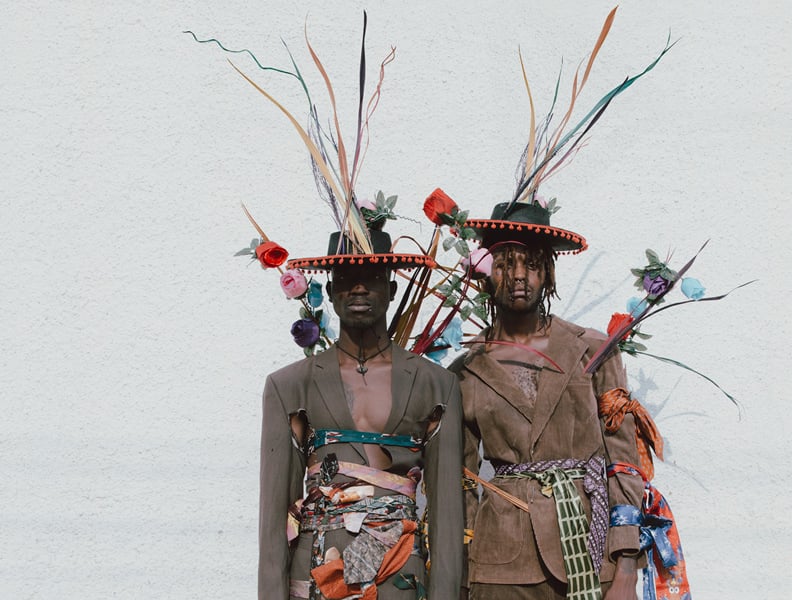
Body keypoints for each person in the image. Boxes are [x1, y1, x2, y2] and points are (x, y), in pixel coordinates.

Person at [451, 202, 655, 600]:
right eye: (504, 264)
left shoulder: (593, 351)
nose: (518, 277)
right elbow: (460, 481)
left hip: (590, 549)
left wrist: (626, 565)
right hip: (500, 561)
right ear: (486, 275)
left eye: (531, 264)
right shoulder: (466, 370)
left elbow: (623, 461)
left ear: (549, 273)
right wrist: (464, 568)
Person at [259, 229, 464, 600]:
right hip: (318, 574)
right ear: (331, 289)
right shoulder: (289, 386)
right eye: (346, 279)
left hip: (400, 574)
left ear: (391, 289)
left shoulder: (436, 384)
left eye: (370, 278)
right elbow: (274, 519)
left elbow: (448, 518)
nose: (358, 289)